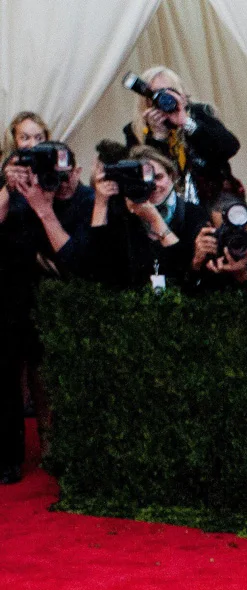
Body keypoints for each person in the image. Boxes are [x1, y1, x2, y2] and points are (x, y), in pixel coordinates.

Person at [1, 123, 92, 483]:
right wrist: (9, 185)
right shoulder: (14, 187)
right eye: (27, 140)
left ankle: (55, 447)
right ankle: (11, 456)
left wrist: (46, 204)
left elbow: (75, 256)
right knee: (10, 371)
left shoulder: (77, 198)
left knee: (46, 372)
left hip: (59, 295)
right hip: (12, 293)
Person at [67, 146, 206, 289]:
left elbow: (184, 267)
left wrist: (155, 220)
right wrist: (101, 203)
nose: (153, 185)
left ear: (171, 176)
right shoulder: (122, 215)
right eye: (145, 180)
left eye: (158, 177)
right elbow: (96, 266)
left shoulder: (193, 214)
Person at [122, 67, 241, 205]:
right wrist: (158, 138)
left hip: (214, 201)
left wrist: (186, 122)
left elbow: (230, 147)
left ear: (181, 95)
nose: (162, 100)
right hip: (170, 208)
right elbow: (143, 177)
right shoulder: (135, 130)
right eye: (154, 95)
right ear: (145, 101)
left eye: (167, 92)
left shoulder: (199, 113)